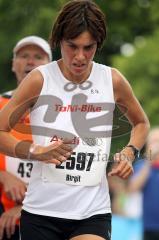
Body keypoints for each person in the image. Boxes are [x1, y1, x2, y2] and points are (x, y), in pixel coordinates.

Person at [0, 1, 150, 240]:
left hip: (92, 212)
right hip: (42, 213)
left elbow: (141, 123)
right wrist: (35, 151)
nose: (80, 57)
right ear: (59, 40)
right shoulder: (40, 79)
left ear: (98, 44)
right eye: (72, 46)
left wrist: (130, 152)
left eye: (88, 48)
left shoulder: (112, 80)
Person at [0, 35, 52, 240]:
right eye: (23, 56)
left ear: (50, 66)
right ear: (13, 64)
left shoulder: (64, 109)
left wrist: (26, 205)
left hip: (48, 212)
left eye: (38, 56)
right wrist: (4, 176)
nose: (30, 61)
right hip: (4, 214)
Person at [128, 128, 159, 240]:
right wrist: (149, 162)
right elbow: (133, 188)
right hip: (149, 226)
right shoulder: (142, 166)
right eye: (154, 142)